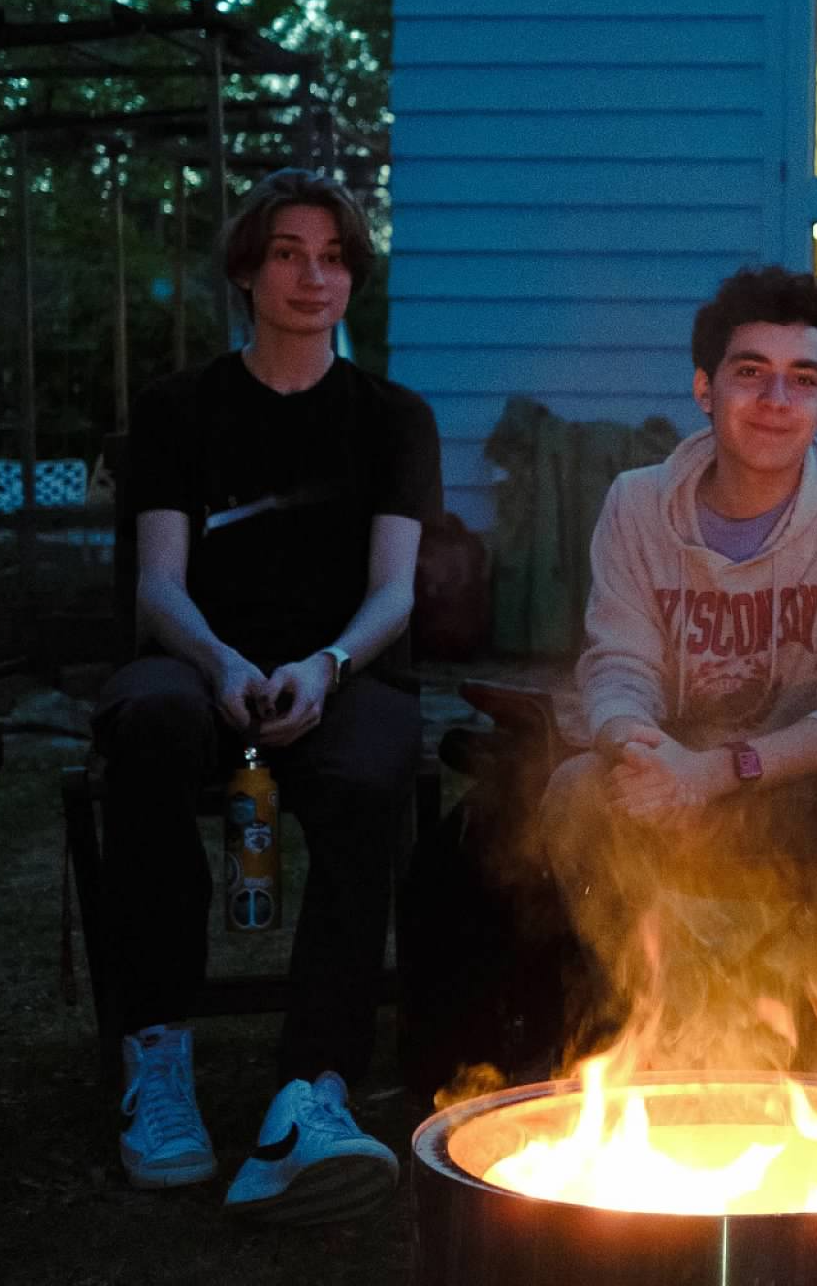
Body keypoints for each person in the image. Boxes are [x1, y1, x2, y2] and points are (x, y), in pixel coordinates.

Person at [97, 168, 440, 1221]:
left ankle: (313, 1090)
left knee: (375, 758)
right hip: (203, 662)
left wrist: (327, 664)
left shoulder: (392, 417)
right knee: (147, 721)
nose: (313, 275)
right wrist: (226, 665)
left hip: (338, 666)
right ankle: (155, 1056)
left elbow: (395, 591)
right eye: (289, 252)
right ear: (248, 269)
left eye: (334, 256)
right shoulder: (176, 411)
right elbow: (159, 584)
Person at [539, 265, 817, 1065]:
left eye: (802, 380)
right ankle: (649, 1024)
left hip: (794, 779)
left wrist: (718, 772)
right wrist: (642, 752)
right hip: (670, 777)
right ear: (704, 389)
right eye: (751, 374)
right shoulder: (639, 504)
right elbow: (617, 667)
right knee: (575, 792)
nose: (777, 400)